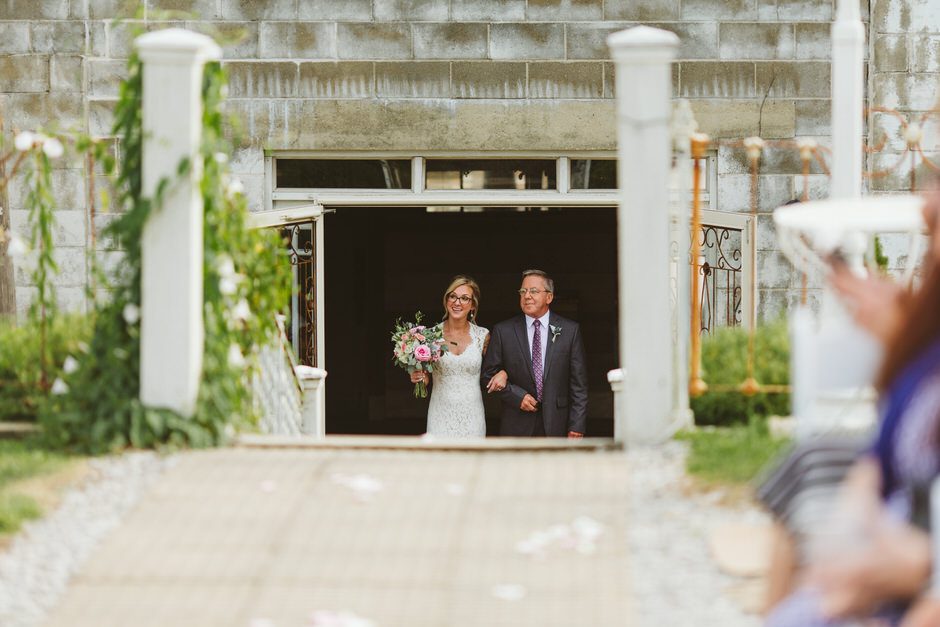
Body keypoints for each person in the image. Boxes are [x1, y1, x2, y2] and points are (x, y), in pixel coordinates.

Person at [763, 186, 940, 626]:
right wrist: (848, 544)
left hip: (915, 570)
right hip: (896, 525)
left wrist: (915, 572)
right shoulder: (924, 348)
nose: (928, 196)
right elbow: (879, 462)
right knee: (809, 458)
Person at [481, 269, 588, 438]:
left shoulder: (570, 330)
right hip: (516, 422)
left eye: (533, 291)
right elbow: (487, 376)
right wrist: (516, 396)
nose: (527, 296)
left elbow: (579, 385)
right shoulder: (504, 331)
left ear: (549, 297)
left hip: (557, 422)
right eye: (523, 291)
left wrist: (577, 425)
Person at [409, 276, 507, 439]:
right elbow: (425, 378)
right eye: (453, 296)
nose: (457, 302)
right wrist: (419, 377)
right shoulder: (430, 336)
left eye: (464, 298)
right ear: (446, 300)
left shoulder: (482, 336)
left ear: (473, 305)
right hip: (440, 415)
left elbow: (495, 369)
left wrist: (504, 373)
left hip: (472, 416)